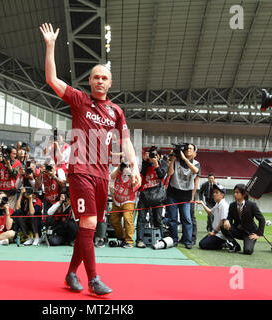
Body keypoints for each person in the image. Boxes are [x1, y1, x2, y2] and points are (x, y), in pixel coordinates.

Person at [41, 22, 141, 297]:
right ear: (90, 81)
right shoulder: (79, 100)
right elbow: (52, 79)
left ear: (110, 83)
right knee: (88, 224)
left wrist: (134, 167)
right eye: (95, 77)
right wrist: (50, 46)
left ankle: (71, 272)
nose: (99, 81)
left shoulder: (117, 112)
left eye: (104, 78)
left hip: (102, 176)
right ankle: (94, 280)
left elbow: (127, 142)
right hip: (80, 171)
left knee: (91, 226)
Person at [166, 143, 200, 249]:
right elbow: (170, 173)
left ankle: (187, 240)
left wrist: (185, 159)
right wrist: (173, 159)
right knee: (172, 218)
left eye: (191, 148)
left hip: (186, 194)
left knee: (186, 218)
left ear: (194, 152)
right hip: (173, 193)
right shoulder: (176, 161)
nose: (188, 150)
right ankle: (174, 239)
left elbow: (195, 171)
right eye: (187, 148)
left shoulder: (196, 163)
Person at [135, 147, 168, 248]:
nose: (153, 157)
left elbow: (161, 175)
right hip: (145, 195)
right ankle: (139, 240)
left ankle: (161, 240)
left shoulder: (164, 164)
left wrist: (156, 163)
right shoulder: (145, 163)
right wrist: (146, 161)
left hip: (157, 196)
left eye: (155, 155)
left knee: (158, 219)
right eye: (151, 154)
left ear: (159, 156)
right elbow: (142, 173)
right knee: (141, 218)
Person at [221, 184, 266, 254]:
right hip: (237, 231)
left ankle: (247, 245)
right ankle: (235, 246)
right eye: (234, 192)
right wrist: (227, 221)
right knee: (223, 227)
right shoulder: (232, 205)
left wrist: (258, 234)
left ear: (244, 194)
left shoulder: (252, 205)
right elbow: (229, 217)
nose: (235, 194)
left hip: (249, 233)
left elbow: (262, 219)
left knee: (248, 251)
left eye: (237, 192)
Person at [109, 162, 139, 248]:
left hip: (128, 200)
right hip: (117, 200)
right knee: (113, 219)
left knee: (127, 218)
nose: (126, 166)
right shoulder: (118, 170)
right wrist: (119, 168)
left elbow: (135, 183)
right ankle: (121, 237)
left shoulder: (134, 170)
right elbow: (111, 177)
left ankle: (129, 241)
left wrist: (131, 174)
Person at [196, 184, 228, 250]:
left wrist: (214, 232)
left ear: (223, 195)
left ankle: (224, 244)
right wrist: (202, 203)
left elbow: (222, 221)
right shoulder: (218, 204)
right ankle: (223, 244)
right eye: (214, 192)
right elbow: (210, 212)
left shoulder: (224, 205)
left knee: (202, 244)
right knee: (202, 243)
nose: (214, 194)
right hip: (216, 233)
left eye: (217, 193)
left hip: (220, 235)